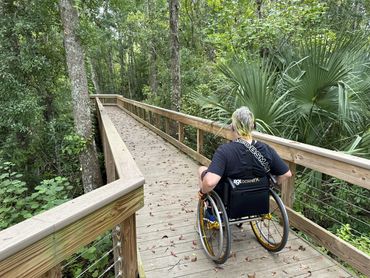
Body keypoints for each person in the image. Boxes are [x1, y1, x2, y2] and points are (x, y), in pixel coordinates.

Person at [198, 106, 291, 198]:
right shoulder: (266, 149)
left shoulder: (224, 151)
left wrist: (202, 192)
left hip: (231, 202)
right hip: (258, 202)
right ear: (253, 126)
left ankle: (206, 203)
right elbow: (286, 174)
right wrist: (269, 185)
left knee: (201, 169)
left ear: (233, 127)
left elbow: (210, 182)